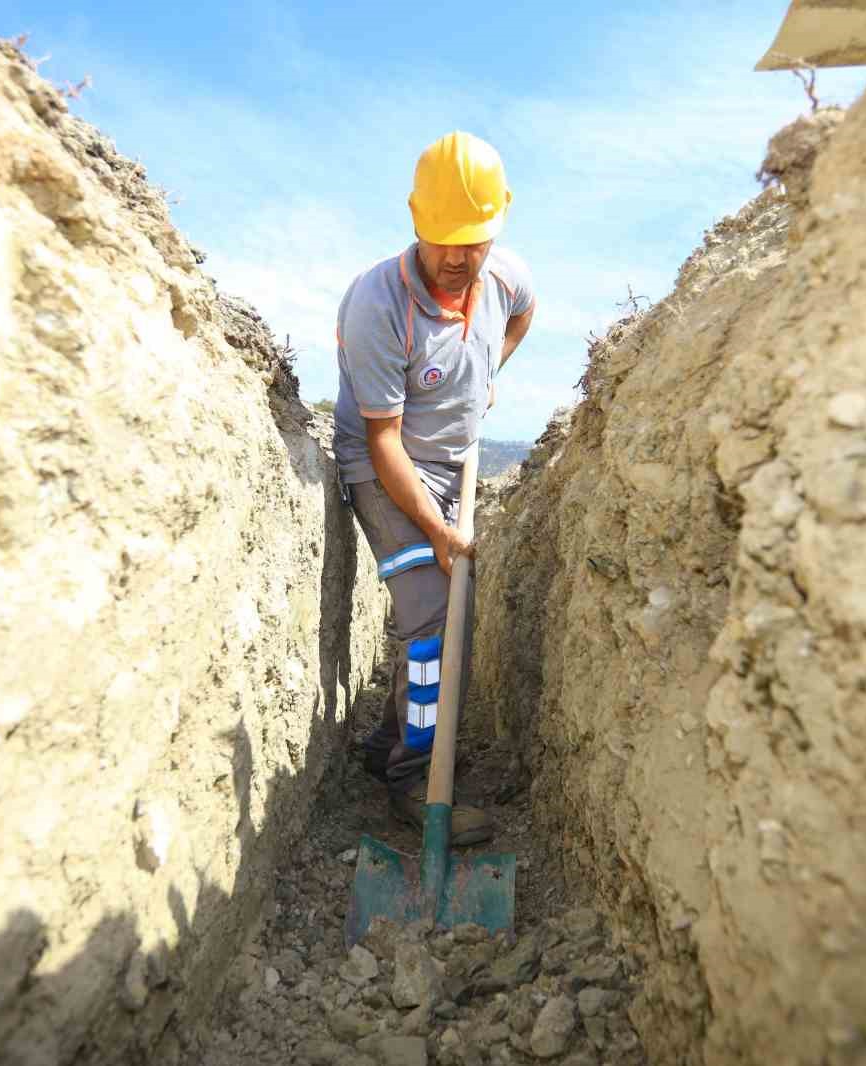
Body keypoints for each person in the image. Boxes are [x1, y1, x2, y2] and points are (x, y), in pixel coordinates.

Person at [332, 131, 536, 845]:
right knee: (430, 626)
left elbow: (522, 314)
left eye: (471, 241)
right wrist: (440, 532)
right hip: (385, 471)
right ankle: (412, 779)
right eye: (442, 238)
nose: (456, 257)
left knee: (450, 614)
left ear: (496, 225)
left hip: (453, 465)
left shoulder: (504, 278)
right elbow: (383, 439)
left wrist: (487, 378)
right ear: (416, 221)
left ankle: (387, 741)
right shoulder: (378, 306)